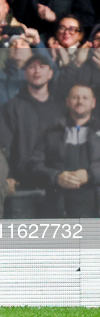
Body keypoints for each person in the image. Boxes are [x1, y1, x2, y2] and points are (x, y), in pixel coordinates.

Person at [0, 54, 64, 193]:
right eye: (32, 67)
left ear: (50, 74)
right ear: (25, 74)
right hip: (22, 184)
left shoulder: (61, 109)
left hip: (57, 184)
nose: (37, 71)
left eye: (42, 67)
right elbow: (2, 144)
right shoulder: (12, 107)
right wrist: (7, 176)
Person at [28, 84, 100, 218]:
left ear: (93, 103)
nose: (80, 101)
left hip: (94, 212)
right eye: (75, 97)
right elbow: (34, 165)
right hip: (56, 209)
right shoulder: (51, 133)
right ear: (67, 102)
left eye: (85, 98)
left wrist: (90, 174)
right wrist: (56, 177)